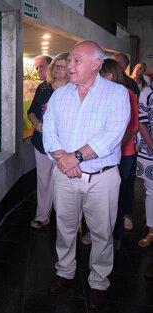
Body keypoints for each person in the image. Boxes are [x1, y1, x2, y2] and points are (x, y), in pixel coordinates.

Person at [43, 41, 130, 310]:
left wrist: (76, 157)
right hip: (65, 175)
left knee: (102, 233)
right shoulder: (60, 95)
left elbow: (112, 135)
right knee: (65, 228)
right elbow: (49, 131)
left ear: (96, 64)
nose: (69, 65)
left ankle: (99, 282)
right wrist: (64, 160)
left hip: (101, 178)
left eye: (76, 61)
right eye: (70, 61)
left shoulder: (117, 94)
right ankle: (65, 270)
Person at [99, 59, 138, 250]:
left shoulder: (127, 93)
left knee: (117, 195)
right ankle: (98, 233)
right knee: (101, 197)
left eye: (103, 73)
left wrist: (111, 146)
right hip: (101, 154)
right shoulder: (99, 94)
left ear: (112, 74)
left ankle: (116, 236)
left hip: (123, 153)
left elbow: (132, 127)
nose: (99, 77)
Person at [27, 52, 69, 229]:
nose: (58, 69)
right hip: (42, 142)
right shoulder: (44, 87)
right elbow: (31, 112)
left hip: (67, 145)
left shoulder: (75, 88)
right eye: (56, 66)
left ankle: (68, 220)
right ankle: (43, 215)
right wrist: (37, 124)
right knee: (44, 180)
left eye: (63, 66)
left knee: (65, 183)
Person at [135, 84, 153, 248]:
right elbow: (141, 121)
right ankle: (151, 231)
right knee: (151, 192)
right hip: (150, 151)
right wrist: (151, 145)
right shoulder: (148, 92)